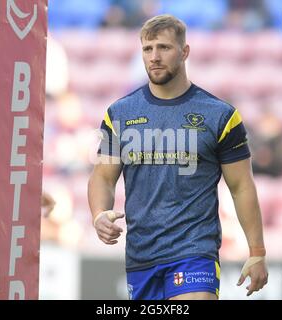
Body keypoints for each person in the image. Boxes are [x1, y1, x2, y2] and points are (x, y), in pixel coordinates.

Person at [87, 14, 268, 300]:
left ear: (184, 52)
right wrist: (99, 214)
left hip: (195, 251)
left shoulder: (221, 115)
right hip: (141, 254)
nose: (154, 57)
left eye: (164, 48)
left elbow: (242, 186)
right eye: (148, 49)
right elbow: (103, 177)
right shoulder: (119, 113)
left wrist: (257, 252)